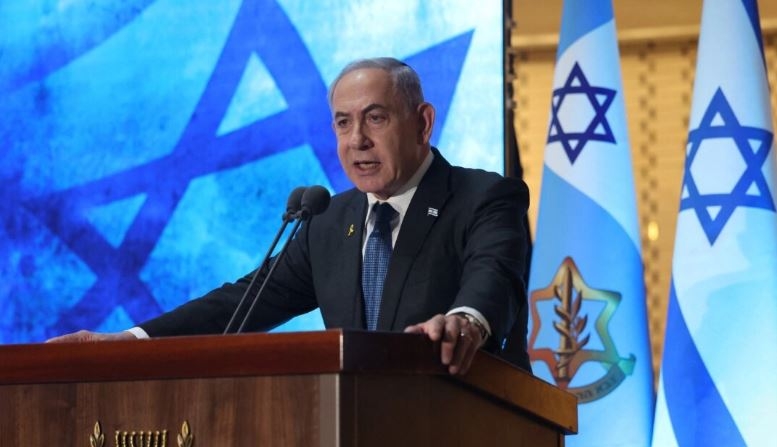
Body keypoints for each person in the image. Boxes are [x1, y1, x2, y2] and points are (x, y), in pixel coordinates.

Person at [48, 57, 531, 375]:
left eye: (376, 117)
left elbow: (494, 277)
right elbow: (241, 305)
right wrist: (132, 341)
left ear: (423, 122)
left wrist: (466, 322)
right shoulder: (327, 221)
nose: (356, 139)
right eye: (343, 122)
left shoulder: (485, 197)